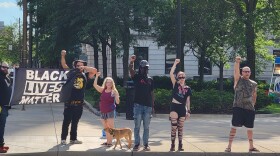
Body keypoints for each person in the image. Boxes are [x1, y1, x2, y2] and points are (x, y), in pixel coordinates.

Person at [60, 50, 97, 145]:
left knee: (75, 122)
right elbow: (64, 65)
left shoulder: (85, 75)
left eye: (81, 65)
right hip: (69, 102)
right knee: (66, 121)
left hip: (79, 103)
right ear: (74, 66)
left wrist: (84, 67)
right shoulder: (71, 73)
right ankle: (63, 139)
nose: (79, 67)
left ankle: (73, 139)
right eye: (78, 65)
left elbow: (94, 71)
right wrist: (63, 55)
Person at [225, 56, 259, 153]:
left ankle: (251, 146)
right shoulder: (238, 80)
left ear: (250, 73)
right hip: (238, 107)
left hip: (249, 109)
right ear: (242, 72)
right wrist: (237, 62)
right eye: (245, 71)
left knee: (250, 129)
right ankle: (229, 146)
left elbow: (254, 95)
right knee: (234, 127)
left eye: (248, 71)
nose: (247, 73)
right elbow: (236, 72)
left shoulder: (254, 83)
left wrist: (253, 105)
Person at [129, 55, 154, 151]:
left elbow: (152, 92)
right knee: (137, 126)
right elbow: (131, 71)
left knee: (146, 127)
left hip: (148, 106)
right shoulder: (136, 77)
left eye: (146, 67)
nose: (145, 69)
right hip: (138, 105)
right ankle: (137, 144)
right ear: (140, 68)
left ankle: (146, 144)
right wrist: (131, 62)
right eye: (143, 67)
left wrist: (153, 105)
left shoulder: (150, 79)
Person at [169, 59, 191, 151]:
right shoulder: (175, 84)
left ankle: (180, 144)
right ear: (177, 78)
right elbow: (171, 73)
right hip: (174, 106)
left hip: (182, 108)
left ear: (185, 78)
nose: (181, 79)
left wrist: (188, 111)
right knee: (174, 127)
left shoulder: (188, 88)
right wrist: (175, 63)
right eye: (180, 77)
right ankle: (173, 144)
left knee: (181, 128)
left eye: (183, 77)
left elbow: (188, 100)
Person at [93, 72, 120, 147]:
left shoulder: (114, 91)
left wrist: (117, 97)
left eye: (110, 82)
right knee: (106, 128)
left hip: (110, 111)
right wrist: (97, 76)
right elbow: (95, 85)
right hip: (103, 111)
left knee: (110, 128)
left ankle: (110, 142)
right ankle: (107, 141)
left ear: (112, 84)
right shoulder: (103, 90)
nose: (108, 84)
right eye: (107, 82)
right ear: (105, 83)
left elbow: (117, 102)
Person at [0, 62, 12, 153]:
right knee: (1, 126)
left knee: (2, 126)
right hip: (1, 106)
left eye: (7, 67)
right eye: (4, 67)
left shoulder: (6, 77)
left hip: (5, 106)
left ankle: (1, 144)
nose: (6, 69)